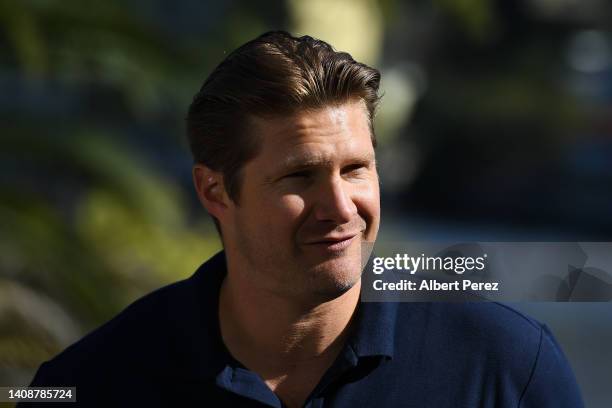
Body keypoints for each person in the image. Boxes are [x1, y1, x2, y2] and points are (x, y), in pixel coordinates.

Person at [23, 31, 583, 407]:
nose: (341, 208)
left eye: (356, 170)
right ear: (214, 190)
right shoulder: (83, 384)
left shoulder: (507, 365)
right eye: (299, 177)